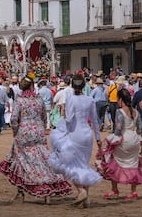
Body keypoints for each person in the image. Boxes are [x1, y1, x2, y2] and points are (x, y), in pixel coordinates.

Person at [0, 72, 72, 205]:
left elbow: (14, 119)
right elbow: (44, 116)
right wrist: (42, 129)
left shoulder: (20, 100)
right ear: (31, 86)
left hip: (24, 133)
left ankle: (21, 192)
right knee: (43, 160)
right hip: (38, 132)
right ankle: (47, 189)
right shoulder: (39, 99)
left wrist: (15, 131)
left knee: (20, 161)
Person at [49, 73, 102, 208]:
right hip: (87, 134)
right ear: (84, 86)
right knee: (83, 164)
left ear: (72, 86)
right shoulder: (90, 100)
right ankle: (86, 199)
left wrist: (62, 130)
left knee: (71, 165)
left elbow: (69, 118)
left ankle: (81, 190)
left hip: (75, 133)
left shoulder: (71, 99)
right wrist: (98, 138)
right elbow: (95, 121)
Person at [98, 89, 142, 200]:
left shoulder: (120, 111)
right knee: (133, 163)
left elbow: (118, 128)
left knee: (112, 161)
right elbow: (140, 128)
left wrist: (112, 138)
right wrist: (136, 136)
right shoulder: (135, 111)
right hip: (134, 138)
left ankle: (115, 189)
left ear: (120, 99)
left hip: (123, 138)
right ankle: (133, 191)